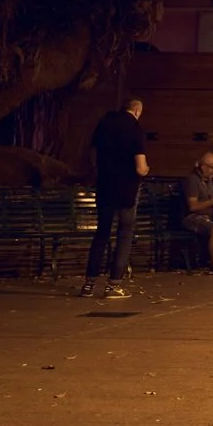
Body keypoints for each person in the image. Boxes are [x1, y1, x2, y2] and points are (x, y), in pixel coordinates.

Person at [80, 97, 148, 298]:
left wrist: (100, 172)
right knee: (124, 233)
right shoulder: (135, 128)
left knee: (102, 233)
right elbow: (140, 166)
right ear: (136, 110)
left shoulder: (104, 123)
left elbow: (92, 154)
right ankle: (113, 284)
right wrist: (145, 170)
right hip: (126, 188)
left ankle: (89, 284)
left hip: (105, 186)